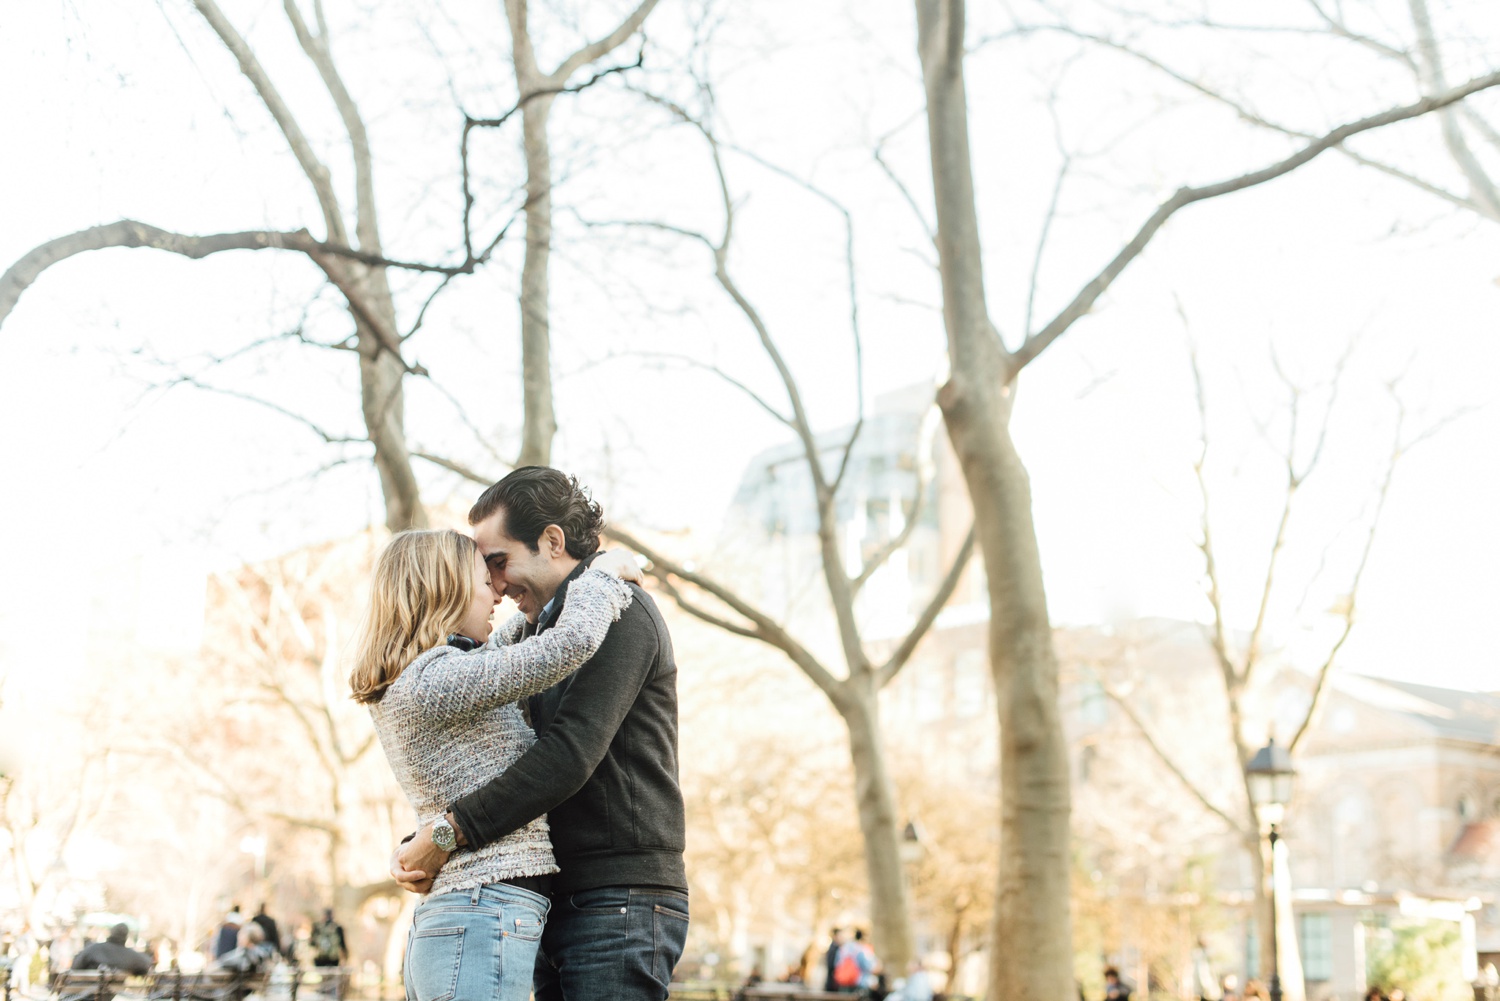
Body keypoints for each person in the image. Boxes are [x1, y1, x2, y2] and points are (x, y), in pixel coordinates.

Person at [392, 467, 691, 1001]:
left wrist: (448, 834)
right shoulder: (536, 634)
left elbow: (569, 755)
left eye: (499, 563)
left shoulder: (618, 610)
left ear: (552, 541)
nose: (497, 587)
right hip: (552, 895)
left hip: (617, 898)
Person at [356, 517, 642, 1001]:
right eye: (483, 581)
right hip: (478, 915)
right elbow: (564, 645)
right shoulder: (436, 680)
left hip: (477, 917)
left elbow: (516, 639)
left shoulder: (434, 674)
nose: (497, 594)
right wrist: (603, 573)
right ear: (444, 592)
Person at [71, 923, 150, 975]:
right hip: (113, 995)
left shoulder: (94, 948)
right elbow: (146, 965)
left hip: (86, 994)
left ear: (111, 933)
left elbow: (75, 966)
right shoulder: (131, 956)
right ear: (125, 937)